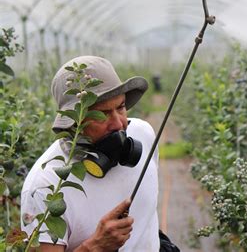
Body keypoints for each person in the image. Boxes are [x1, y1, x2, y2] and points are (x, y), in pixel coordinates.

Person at [21, 56, 160, 251]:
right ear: (74, 121)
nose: (119, 124)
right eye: (101, 114)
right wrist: (94, 246)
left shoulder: (143, 134)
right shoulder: (46, 186)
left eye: (120, 107)